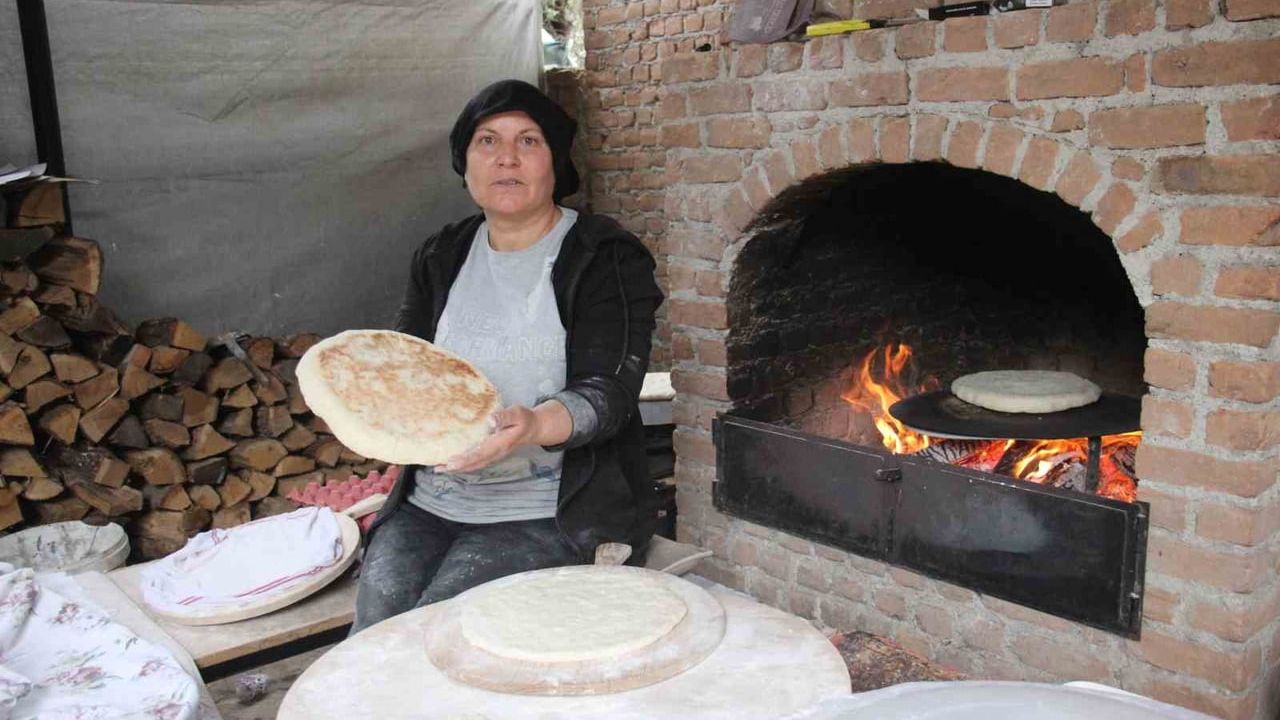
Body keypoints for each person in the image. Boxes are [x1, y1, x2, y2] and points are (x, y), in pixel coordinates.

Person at [349, 79, 664, 634]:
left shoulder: (603, 255)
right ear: (465, 163)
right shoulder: (442, 254)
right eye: (487, 142)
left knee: (436, 638)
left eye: (529, 141)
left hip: (549, 510)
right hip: (431, 500)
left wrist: (532, 423)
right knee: (373, 637)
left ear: (556, 163)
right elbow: (411, 367)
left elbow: (608, 394)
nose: (507, 159)